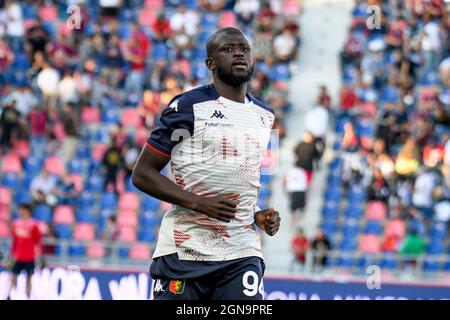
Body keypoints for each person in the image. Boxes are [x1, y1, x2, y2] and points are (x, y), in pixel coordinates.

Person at [132, 27, 281, 300]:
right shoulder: (188, 106)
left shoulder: (265, 116)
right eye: (228, 48)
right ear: (210, 64)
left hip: (241, 251)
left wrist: (255, 214)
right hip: (186, 250)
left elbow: (238, 177)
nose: (238, 53)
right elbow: (142, 174)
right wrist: (200, 203)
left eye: (244, 48)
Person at [7, 204, 43, 300]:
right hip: (18, 256)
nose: (21, 212)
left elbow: (38, 240)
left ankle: (28, 295)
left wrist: (38, 254)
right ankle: (8, 295)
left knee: (29, 278)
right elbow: (14, 240)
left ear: (28, 212)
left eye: (23, 210)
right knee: (13, 276)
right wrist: (11, 254)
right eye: (20, 210)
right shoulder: (16, 224)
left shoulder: (34, 225)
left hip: (29, 257)